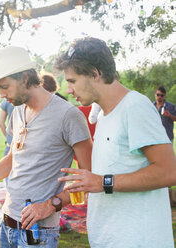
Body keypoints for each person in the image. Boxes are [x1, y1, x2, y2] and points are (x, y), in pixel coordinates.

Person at [0, 46, 92, 248]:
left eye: (4, 87)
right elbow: (14, 156)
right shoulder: (18, 110)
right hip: (6, 223)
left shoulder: (68, 115)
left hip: (38, 234)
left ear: (24, 78)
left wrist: (51, 205)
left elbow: (89, 176)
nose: (1, 95)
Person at [55, 37, 176, 247]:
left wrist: (103, 182)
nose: (68, 90)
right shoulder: (104, 114)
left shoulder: (135, 106)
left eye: (72, 81)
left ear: (95, 73)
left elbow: (169, 172)